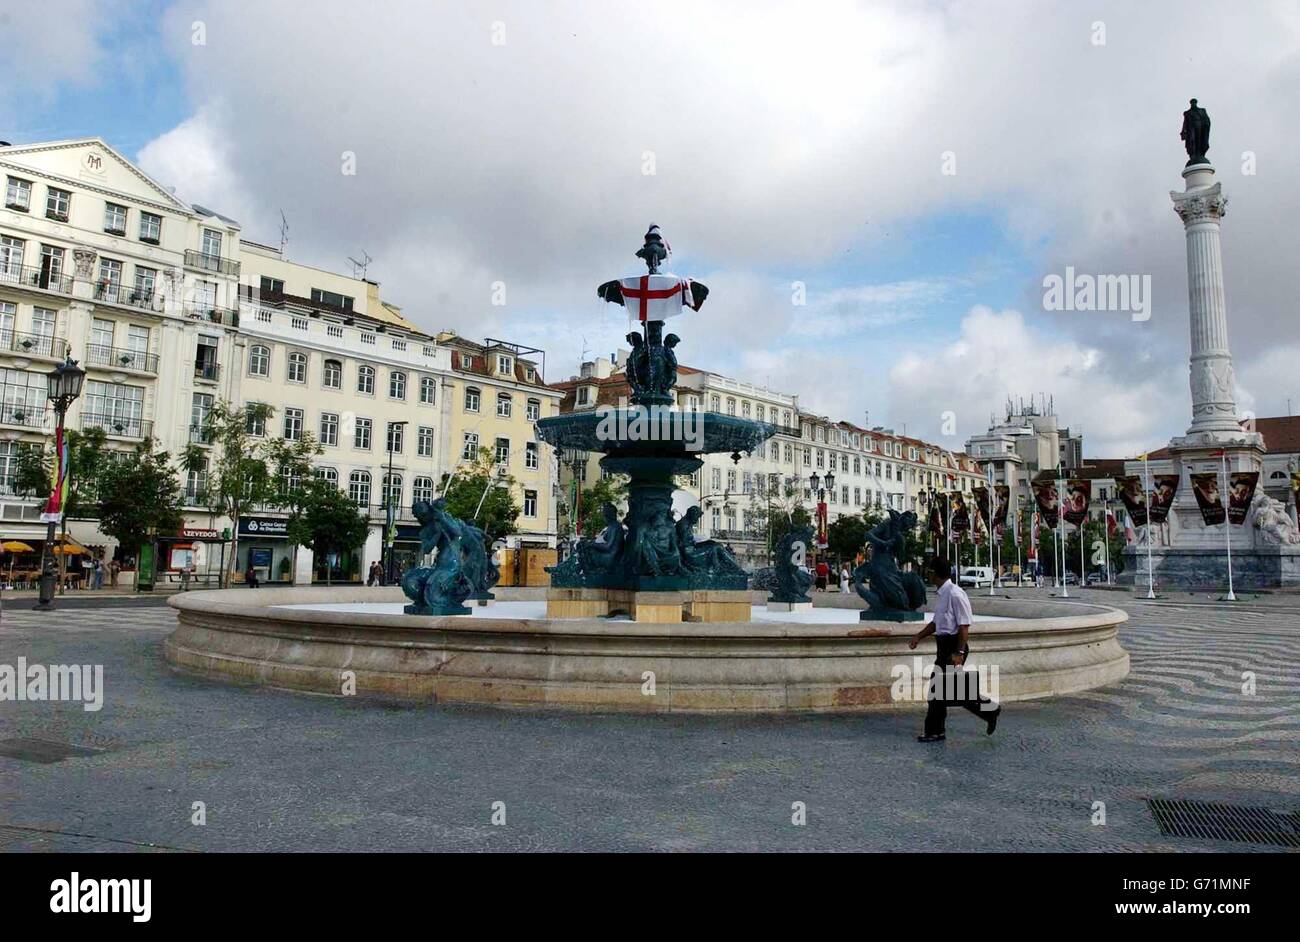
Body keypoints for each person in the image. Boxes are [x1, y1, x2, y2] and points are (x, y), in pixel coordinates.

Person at [908, 555, 1001, 743]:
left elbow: (964, 626)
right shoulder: (943, 594)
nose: (927, 573)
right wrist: (918, 636)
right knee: (951, 692)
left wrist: (958, 653)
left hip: (953, 647)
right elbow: (937, 623)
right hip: (943, 647)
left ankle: (935, 731)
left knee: (937, 693)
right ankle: (990, 710)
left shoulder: (956, 594)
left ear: (935, 573)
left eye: (929, 570)